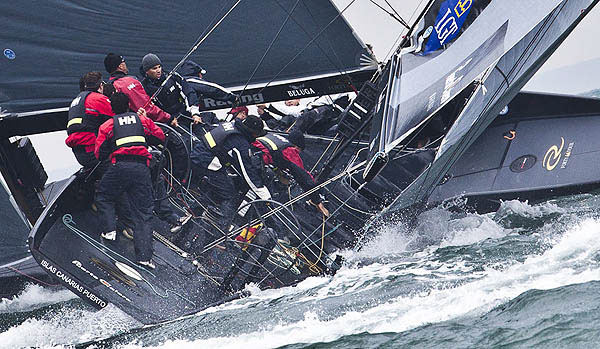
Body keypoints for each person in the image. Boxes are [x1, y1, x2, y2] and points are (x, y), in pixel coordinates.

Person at [95, 92, 166, 269]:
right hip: (142, 170)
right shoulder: (142, 121)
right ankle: (144, 258)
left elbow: (99, 153)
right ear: (129, 105)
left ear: (112, 108)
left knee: (104, 196)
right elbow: (161, 137)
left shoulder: (108, 125)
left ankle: (110, 231)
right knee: (143, 214)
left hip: (119, 168)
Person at [190, 115, 271, 225]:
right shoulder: (240, 143)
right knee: (228, 194)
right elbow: (246, 170)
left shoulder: (231, 125)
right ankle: (222, 230)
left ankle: (193, 212)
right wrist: (262, 191)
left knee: (219, 187)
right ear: (252, 133)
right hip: (205, 161)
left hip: (200, 153)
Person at [252, 130, 328, 216]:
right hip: (253, 166)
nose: (298, 154)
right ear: (296, 147)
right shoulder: (290, 151)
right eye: (299, 151)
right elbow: (304, 177)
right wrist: (317, 201)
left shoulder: (275, 137)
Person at [103, 53, 176, 127]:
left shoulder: (109, 85)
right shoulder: (127, 83)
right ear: (121, 66)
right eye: (124, 62)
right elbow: (145, 107)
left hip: (118, 126)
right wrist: (169, 118)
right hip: (136, 126)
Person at [65, 72, 114, 172]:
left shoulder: (76, 101)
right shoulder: (99, 99)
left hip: (80, 154)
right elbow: (118, 120)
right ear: (100, 86)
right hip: (94, 151)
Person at [139, 53, 203, 127]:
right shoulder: (144, 87)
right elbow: (151, 110)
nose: (158, 70)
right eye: (154, 68)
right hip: (167, 123)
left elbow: (189, 92)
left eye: (159, 67)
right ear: (147, 71)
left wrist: (195, 113)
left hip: (185, 114)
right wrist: (168, 120)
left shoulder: (172, 76)